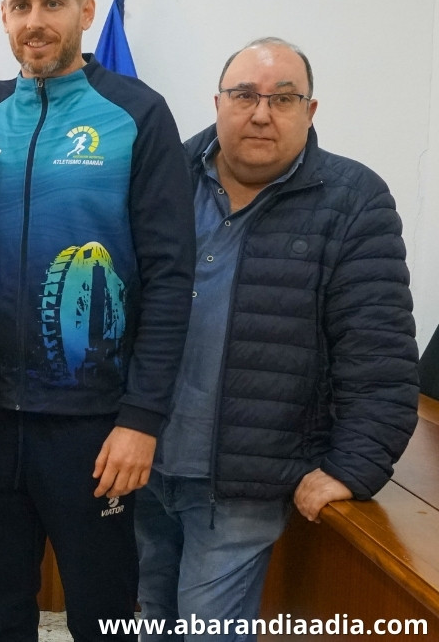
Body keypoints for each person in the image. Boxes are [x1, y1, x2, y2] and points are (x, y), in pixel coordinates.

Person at [0, 0, 196, 641]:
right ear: (2, 16)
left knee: (105, 615)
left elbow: (173, 275)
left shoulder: (138, 116)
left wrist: (141, 420)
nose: (36, 20)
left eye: (52, 2)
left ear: (86, 9)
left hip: (96, 422)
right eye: (21, 4)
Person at [134, 38, 419, 641]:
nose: (261, 113)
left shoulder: (352, 201)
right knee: (142, 625)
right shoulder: (165, 179)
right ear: (217, 103)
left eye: (283, 98)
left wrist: (356, 466)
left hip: (244, 485)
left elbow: (381, 357)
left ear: (310, 111)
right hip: (145, 464)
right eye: (244, 96)